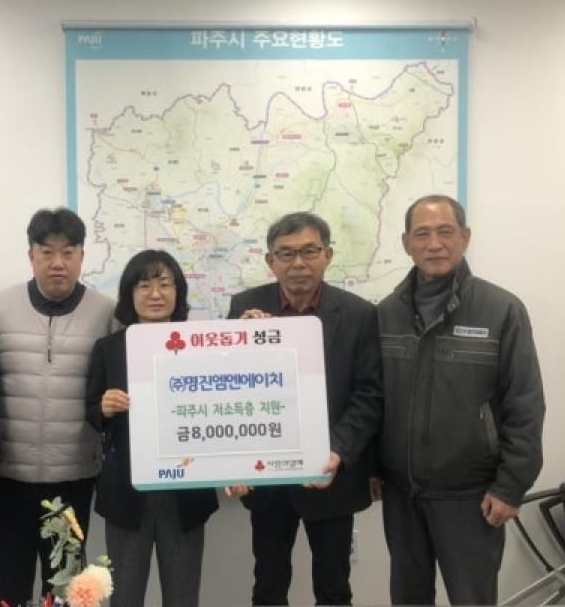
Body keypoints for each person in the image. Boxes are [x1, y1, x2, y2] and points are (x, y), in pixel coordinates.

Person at [377, 194, 545, 605]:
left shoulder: (501, 309)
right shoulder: (386, 314)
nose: (434, 244)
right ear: (406, 243)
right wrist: (373, 467)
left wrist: (510, 487)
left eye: (445, 232)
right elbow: (374, 398)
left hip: (472, 498)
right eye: (422, 234)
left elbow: (525, 403)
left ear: (465, 238)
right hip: (401, 496)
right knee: (407, 599)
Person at [226, 212, 382, 606]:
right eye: (287, 253)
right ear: (270, 261)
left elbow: (369, 395)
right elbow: (231, 389)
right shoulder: (245, 307)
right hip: (266, 479)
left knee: (334, 587)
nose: (298, 263)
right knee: (268, 585)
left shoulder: (360, 314)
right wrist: (241, 342)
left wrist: (337, 452)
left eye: (309, 251)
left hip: (330, 476)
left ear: (328, 255)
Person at [0, 208, 116, 607]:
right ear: (31, 255)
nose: (58, 262)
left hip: (72, 478)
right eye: (47, 252)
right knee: (10, 581)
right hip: (10, 477)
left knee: (66, 584)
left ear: (82, 256)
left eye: (68, 252)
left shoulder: (106, 313)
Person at [85, 249, 219, 607]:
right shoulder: (109, 348)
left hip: (186, 493)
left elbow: (220, 407)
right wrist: (103, 407)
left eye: (164, 284)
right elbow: (91, 411)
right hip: (127, 493)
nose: (155, 294)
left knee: (183, 597)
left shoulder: (201, 346)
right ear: (130, 295)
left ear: (178, 292)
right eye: (144, 286)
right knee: (125, 597)